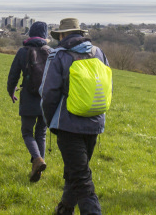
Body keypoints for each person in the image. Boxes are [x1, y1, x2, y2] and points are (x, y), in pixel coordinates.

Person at [41, 18, 109, 215]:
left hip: (68, 125)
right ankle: (64, 209)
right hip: (95, 122)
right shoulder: (98, 53)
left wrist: (50, 121)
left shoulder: (58, 55)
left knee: (80, 177)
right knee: (76, 171)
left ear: (62, 35)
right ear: (79, 34)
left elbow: (48, 93)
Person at [7, 21, 51, 182]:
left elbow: (13, 75)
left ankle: (37, 160)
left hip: (28, 97)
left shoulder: (22, 51)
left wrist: (11, 92)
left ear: (30, 34)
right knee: (41, 133)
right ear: (45, 36)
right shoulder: (51, 52)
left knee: (27, 132)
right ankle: (38, 169)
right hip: (46, 99)